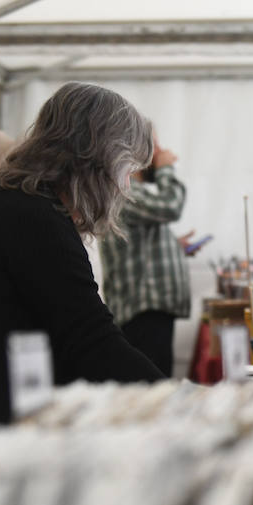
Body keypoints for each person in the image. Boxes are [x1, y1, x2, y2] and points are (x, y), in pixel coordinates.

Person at [0, 82, 163, 425]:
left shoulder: (21, 208)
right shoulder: (34, 220)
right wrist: (182, 400)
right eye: (127, 169)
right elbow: (92, 341)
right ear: (99, 158)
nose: (127, 186)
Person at [98, 134, 194, 377]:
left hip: (147, 312)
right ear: (136, 153)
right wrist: (166, 169)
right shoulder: (123, 192)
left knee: (156, 382)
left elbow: (136, 245)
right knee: (154, 386)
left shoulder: (131, 193)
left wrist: (174, 246)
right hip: (143, 314)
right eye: (156, 146)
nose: (162, 151)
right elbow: (170, 204)